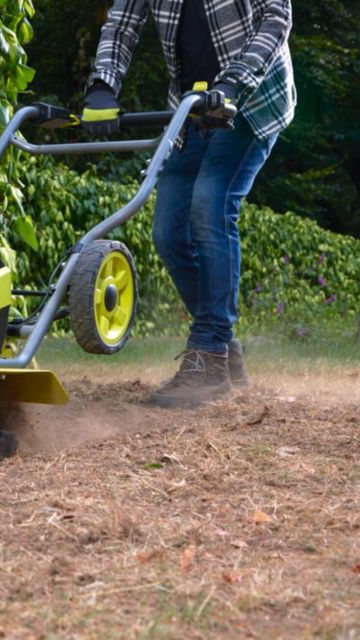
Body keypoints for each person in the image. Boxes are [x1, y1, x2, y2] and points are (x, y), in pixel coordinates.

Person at [81, 0, 296, 407]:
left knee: (210, 204)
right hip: (192, 108)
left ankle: (209, 353)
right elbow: (122, 24)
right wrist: (103, 85)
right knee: (168, 232)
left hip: (251, 100)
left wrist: (233, 81)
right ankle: (222, 348)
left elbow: (276, 17)